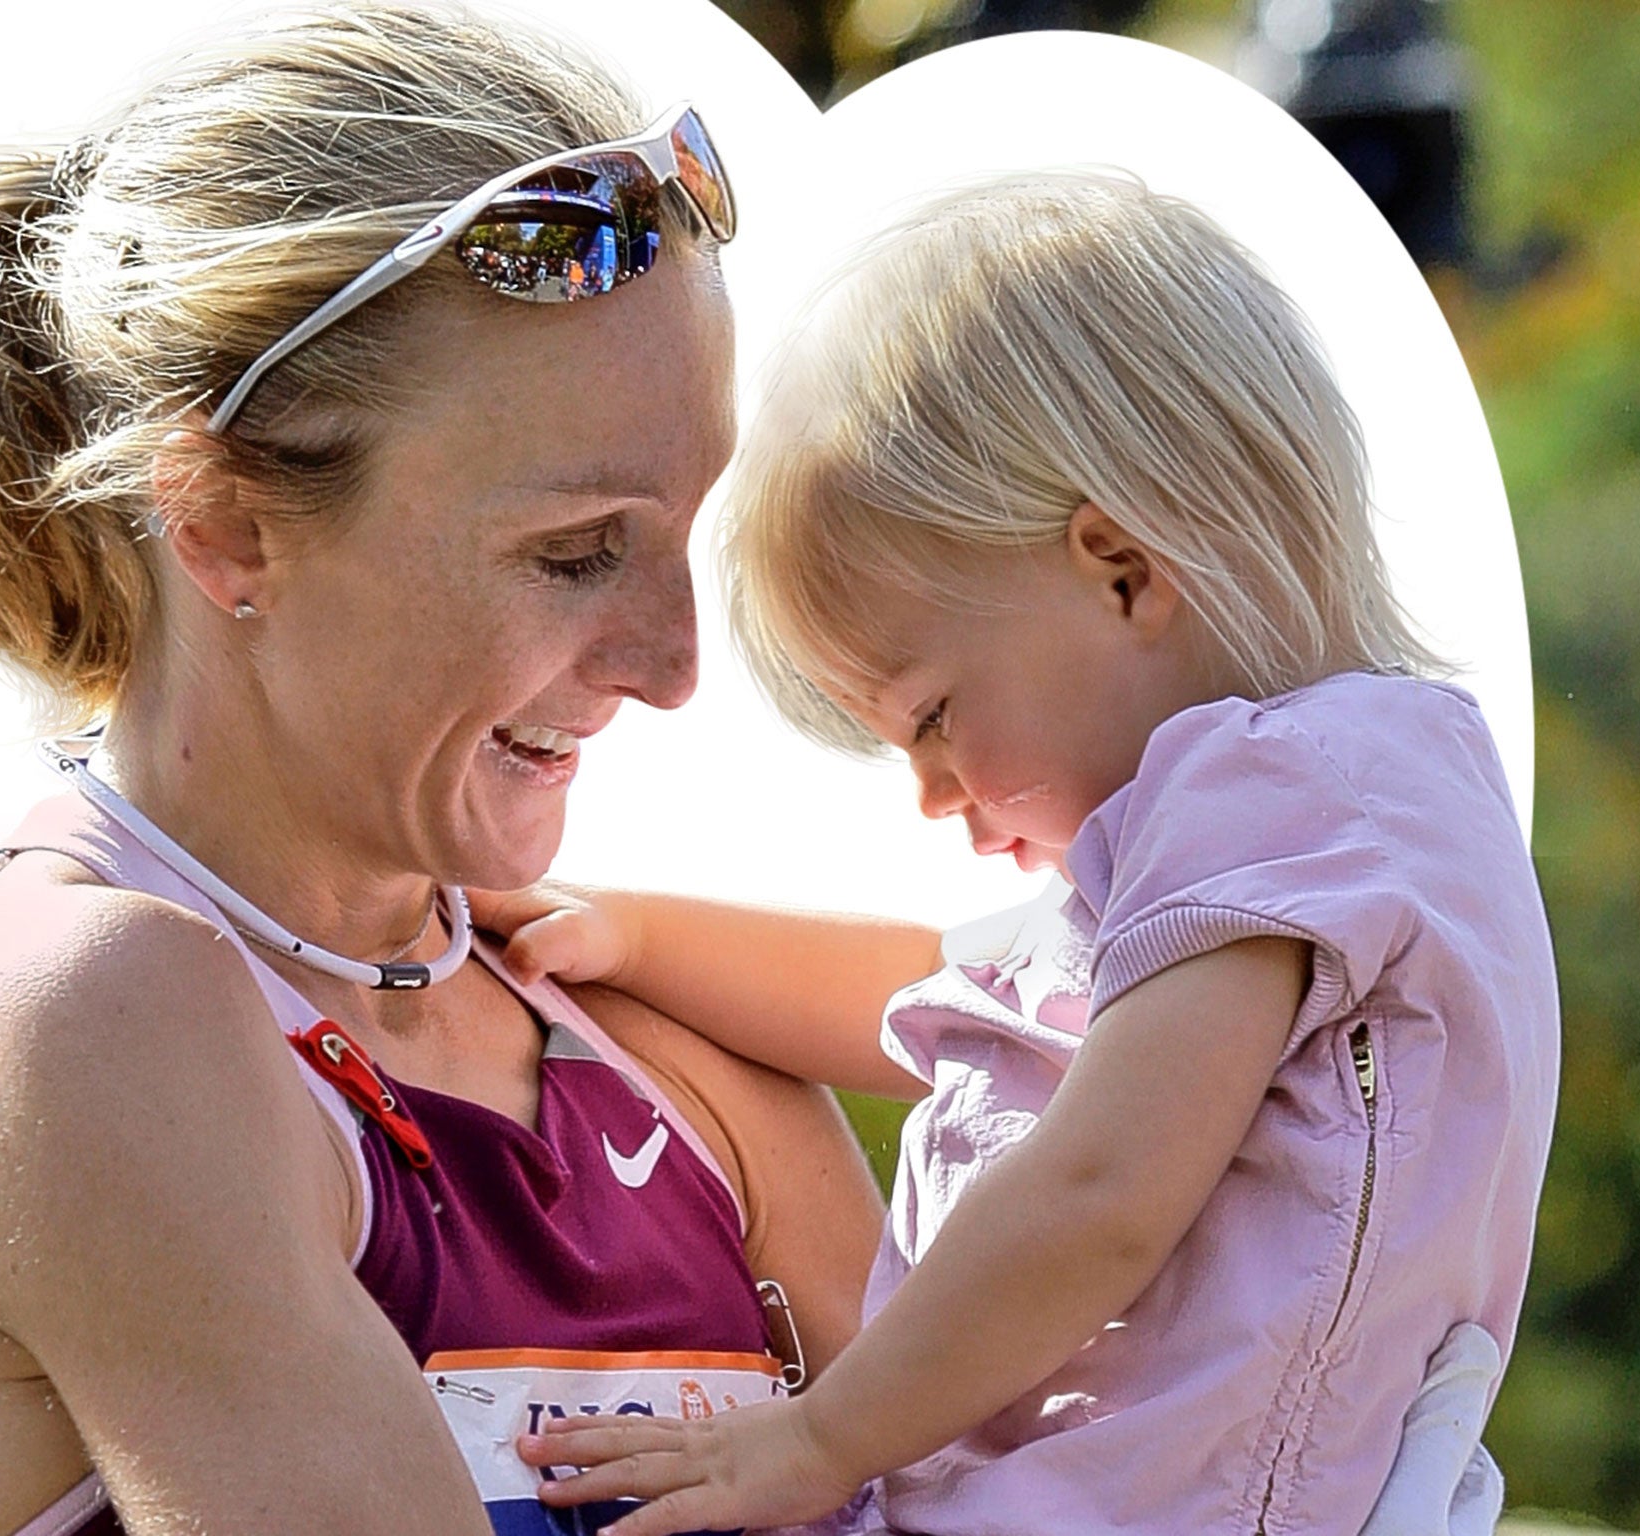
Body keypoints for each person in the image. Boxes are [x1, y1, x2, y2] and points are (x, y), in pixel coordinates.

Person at [0, 7, 891, 1534]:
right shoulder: (83, 1014)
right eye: (577, 554)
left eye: (684, 533)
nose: (672, 664)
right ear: (222, 524)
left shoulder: (653, 1031)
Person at [485, 172, 1561, 1535]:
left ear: (1119, 570)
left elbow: (1103, 1191)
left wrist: (821, 1437)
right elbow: (931, 1002)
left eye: (931, 716)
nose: (931, 793)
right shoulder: (1271, 843)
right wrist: (637, 937)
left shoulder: (1295, 793)